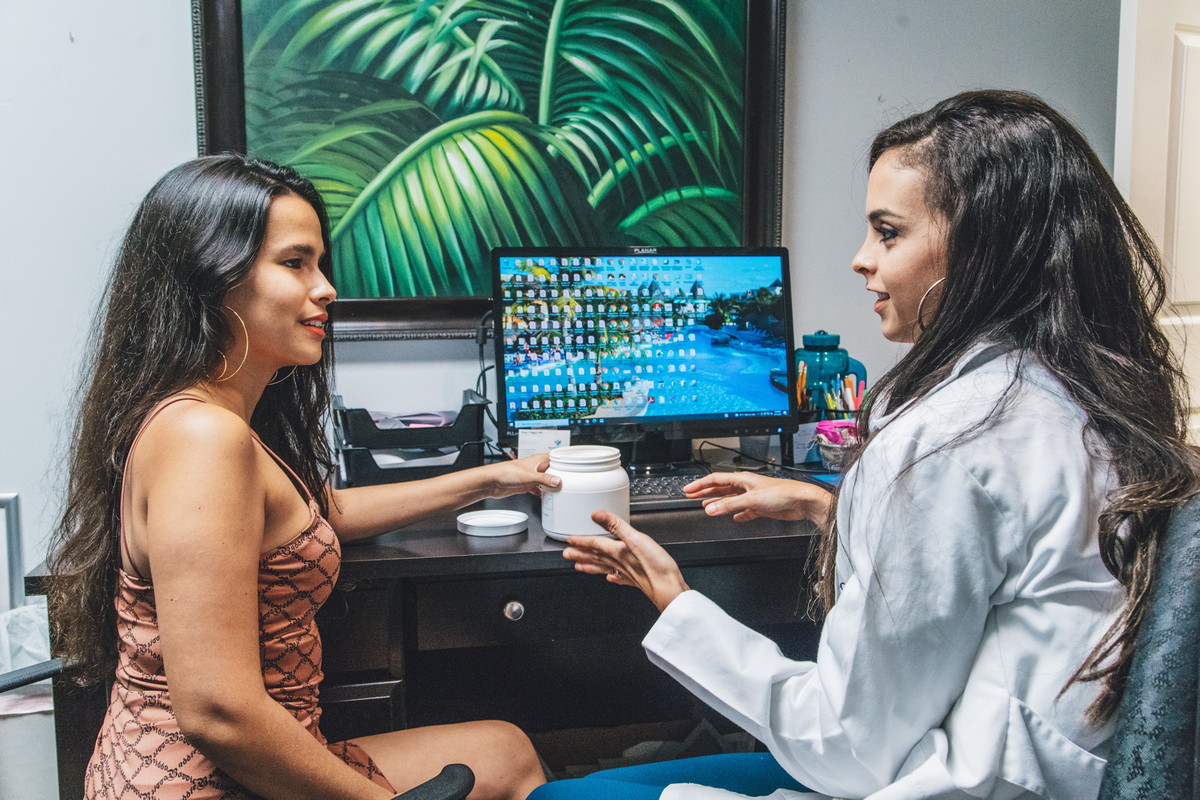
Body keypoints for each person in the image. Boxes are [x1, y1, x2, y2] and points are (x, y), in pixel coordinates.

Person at [531, 90, 1200, 799]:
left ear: (978, 248)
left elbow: (848, 749)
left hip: (950, 781)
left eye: (887, 232)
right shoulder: (1087, 402)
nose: (859, 260)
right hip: (1046, 773)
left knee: (559, 795)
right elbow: (1011, 558)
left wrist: (674, 599)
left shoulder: (944, 441)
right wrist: (832, 510)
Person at [46, 154, 553, 800]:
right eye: (295, 263)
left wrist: (490, 478)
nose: (326, 288)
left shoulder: (211, 417)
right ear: (213, 277)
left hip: (234, 763)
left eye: (320, 264)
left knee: (506, 752)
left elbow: (319, 515)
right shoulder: (204, 438)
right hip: (203, 782)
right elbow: (218, 713)